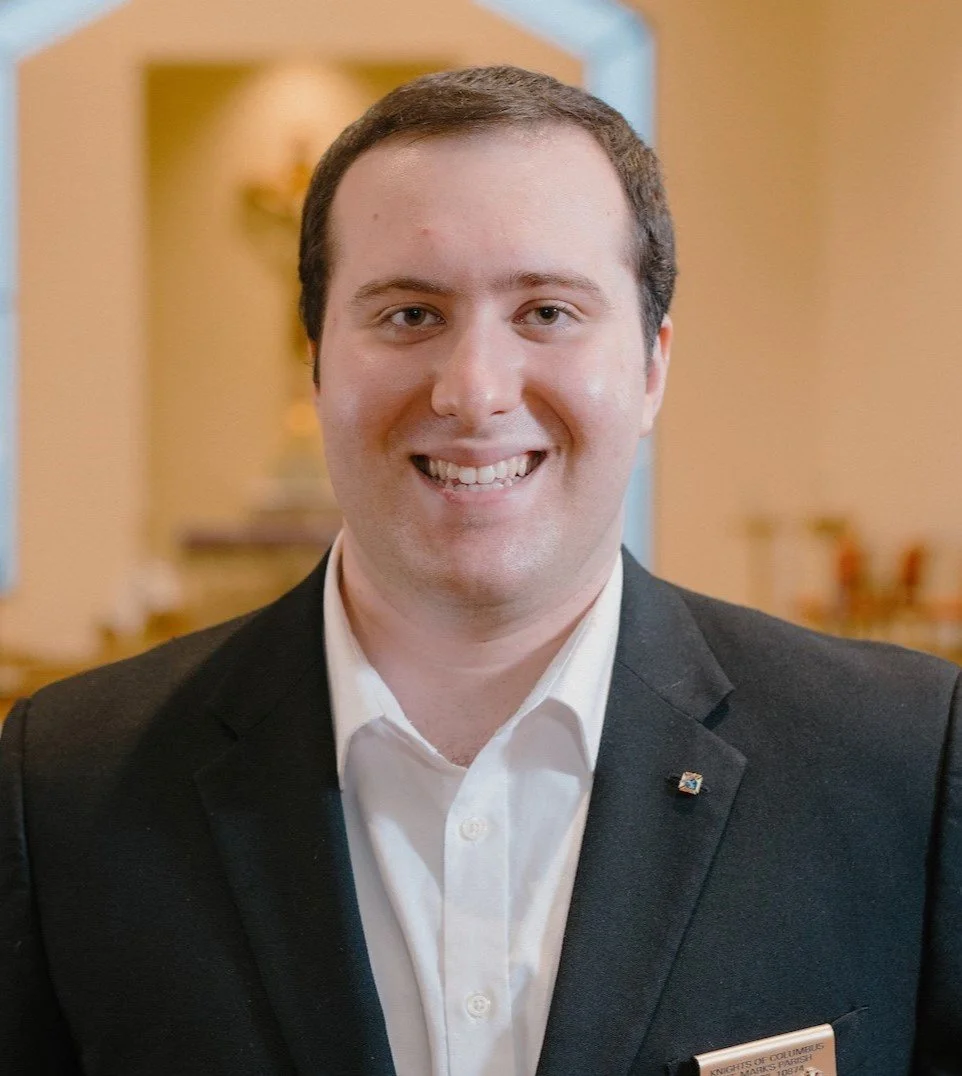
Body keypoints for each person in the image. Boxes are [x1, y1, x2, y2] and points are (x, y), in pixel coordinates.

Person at [1, 65, 959, 1076]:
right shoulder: (68, 787)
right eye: (409, 315)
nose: (474, 390)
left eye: (546, 311)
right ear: (316, 362)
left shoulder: (896, 761)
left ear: (651, 365)